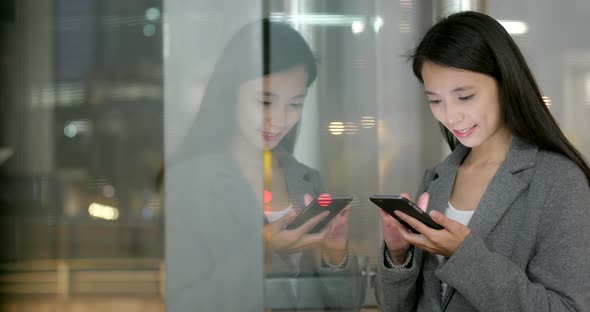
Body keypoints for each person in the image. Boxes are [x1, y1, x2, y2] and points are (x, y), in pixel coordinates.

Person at [375, 11, 590, 312]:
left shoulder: (558, 181)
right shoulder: (436, 178)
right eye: (435, 100)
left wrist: (464, 255)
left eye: (464, 97)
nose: (450, 116)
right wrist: (398, 256)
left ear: (505, 84)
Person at [165, 19, 362, 311]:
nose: (281, 119)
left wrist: (335, 256)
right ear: (230, 94)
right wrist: (265, 251)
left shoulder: (306, 180)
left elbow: (346, 305)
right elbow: (187, 302)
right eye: (265, 101)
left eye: (295, 104)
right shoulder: (190, 183)